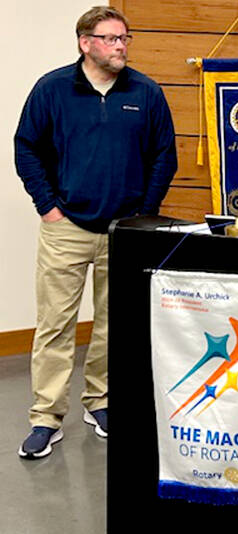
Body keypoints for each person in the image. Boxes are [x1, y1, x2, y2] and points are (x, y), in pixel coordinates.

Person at [14, 6, 177, 459]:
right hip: (66, 227)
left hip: (124, 230)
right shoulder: (52, 89)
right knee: (55, 325)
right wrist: (48, 207)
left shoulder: (146, 92)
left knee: (112, 324)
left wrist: (143, 215)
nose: (121, 46)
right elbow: (26, 147)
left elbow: (164, 156)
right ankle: (46, 417)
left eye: (125, 38)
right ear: (85, 43)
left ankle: (100, 402)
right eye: (111, 38)